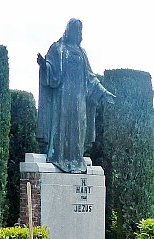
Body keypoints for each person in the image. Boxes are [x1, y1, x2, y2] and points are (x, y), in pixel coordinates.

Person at [37, 18, 115, 173]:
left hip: (79, 100)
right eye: (75, 29)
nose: (77, 33)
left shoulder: (82, 52)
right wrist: (44, 66)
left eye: (79, 30)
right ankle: (60, 157)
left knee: (79, 128)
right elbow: (51, 71)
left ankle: (76, 159)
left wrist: (104, 92)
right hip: (62, 98)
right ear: (68, 30)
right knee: (62, 127)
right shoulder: (57, 48)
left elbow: (90, 78)